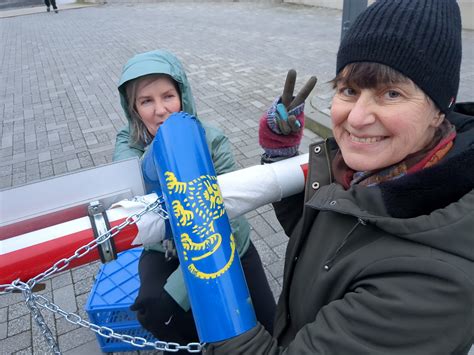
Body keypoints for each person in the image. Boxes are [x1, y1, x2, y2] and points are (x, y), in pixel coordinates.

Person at [204, 0, 474, 353]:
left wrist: (216, 309)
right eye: (349, 90)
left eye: (391, 94)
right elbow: (324, 232)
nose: (357, 117)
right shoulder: (376, 172)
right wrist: (280, 154)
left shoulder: (435, 282)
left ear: (441, 110)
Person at [112, 50, 276, 349]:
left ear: (182, 96)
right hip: (163, 245)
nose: (161, 110)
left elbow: (235, 218)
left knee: (270, 323)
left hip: (224, 242)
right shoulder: (130, 142)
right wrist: (164, 147)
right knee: (155, 312)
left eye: (168, 96)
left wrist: (180, 289)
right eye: (146, 101)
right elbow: (131, 195)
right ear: (133, 109)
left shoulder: (211, 139)